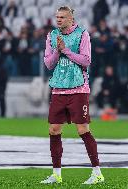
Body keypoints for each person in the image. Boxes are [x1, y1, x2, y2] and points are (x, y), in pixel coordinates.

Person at [40, 6, 104, 185]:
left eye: (62, 17)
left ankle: (97, 173)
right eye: (57, 17)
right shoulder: (51, 36)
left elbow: (86, 60)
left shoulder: (82, 34)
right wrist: (57, 51)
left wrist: (66, 50)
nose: (58, 20)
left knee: (82, 129)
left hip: (78, 88)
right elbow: (48, 64)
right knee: (53, 129)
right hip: (58, 88)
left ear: (71, 19)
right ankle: (56, 174)